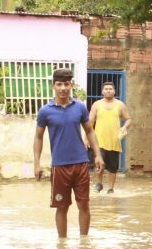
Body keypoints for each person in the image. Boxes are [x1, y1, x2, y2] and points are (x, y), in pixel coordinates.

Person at [34, 68, 105, 238]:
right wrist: (36, 163)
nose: (63, 88)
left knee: (84, 205)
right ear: (53, 86)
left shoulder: (80, 107)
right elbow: (38, 137)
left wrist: (98, 155)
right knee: (61, 207)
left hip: (81, 164)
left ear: (71, 85)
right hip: (59, 167)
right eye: (59, 84)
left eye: (66, 84)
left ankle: (84, 243)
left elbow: (89, 131)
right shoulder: (45, 111)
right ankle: (62, 244)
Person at [89, 82, 131, 193]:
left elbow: (128, 119)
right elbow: (90, 122)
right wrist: (86, 138)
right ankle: (99, 183)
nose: (108, 90)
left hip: (114, 141)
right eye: (106, 89)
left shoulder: (120, 105)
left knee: (113, 167)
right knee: (99, 164)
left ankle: (111, 188)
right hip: (99, 141)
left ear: (114, 91)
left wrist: (125, 127)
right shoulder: (96, 105)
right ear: (102, 91)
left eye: (110, 89)